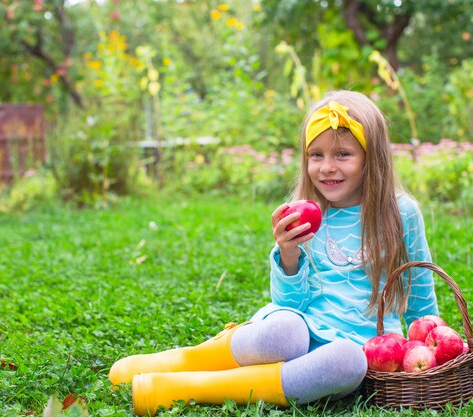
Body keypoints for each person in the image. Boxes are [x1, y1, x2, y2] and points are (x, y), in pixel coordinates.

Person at [108, 90, 439, 416]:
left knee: (350, 363)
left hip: (357, 343)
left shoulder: (400, 212)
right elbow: (290, 305)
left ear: (372, 157)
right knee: (286, 331)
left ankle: (185, 389)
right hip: (302, 325)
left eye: (342, 155)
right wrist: (288, 254)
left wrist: (433, 338)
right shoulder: (306, 212)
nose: (326, 167)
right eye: (316, 155)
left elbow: (420, 287)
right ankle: (181, 361)